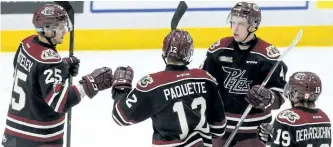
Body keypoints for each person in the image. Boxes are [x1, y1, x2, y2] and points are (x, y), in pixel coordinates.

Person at [1, 4, 113, 147]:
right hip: (39, 138)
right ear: (46, 29)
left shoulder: (26, 44)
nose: (65, 31)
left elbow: (30, 73)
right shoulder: (51, 62)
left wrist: (62, 68)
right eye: (60, 27)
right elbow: (61, 102)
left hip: (12, 136)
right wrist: (89, 83)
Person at [111, 29, 227, 146]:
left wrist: (121, 89)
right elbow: (219, 129)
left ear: (164, 51)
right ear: (190, 53)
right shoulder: (206, 79)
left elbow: (121, 116)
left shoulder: (153, 85)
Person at [200, 1, 288, 147]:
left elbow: (281, 93)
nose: (234, 27)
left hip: (255, 130)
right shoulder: (218, 50)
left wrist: (268, 97)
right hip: (220, 128)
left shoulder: (266, 56)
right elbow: (203, 83)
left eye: (240, 23)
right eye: (233, 22)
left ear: (253, 26)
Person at [257, 71, 331, 147]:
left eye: (291, 87)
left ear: (295, 92)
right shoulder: (324, 118)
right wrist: (275, 138)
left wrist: (276, 139)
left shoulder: (286, 118)